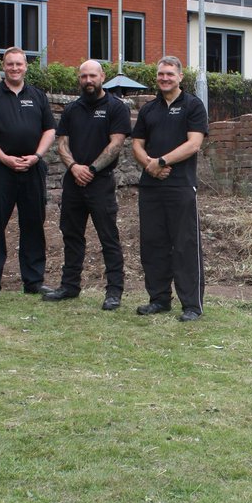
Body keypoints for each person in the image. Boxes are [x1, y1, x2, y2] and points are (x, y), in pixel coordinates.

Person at [43, 60, 132, 310]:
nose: (88, 80)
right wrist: (74, 167)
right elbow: (62, 143)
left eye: (93, 75)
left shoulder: (116, 108)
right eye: (84, 76)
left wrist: (92, 169)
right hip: (73, 182)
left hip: (100, 182)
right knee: (71, 236)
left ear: (102, 76)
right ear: (79, 78)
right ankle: (70, 286)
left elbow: (116, 144)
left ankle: (114, 291)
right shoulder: (72, 109)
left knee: (108, 237)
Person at [0, 47, 56, 298]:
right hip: (0, 169)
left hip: (32, 169)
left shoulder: (38, 96)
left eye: (19, 64)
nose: (15, 68)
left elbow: (49, 130)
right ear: (3, 66)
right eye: (10, 64)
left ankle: (33, 281)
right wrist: (4, 158)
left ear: (26, 67)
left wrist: (37, 156)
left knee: (33, 224)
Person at [131, 56, 209, 322]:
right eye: (161, 74)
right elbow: (136, 145)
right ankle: (159, 299)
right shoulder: (149, 110)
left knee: (185, 245)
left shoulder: (193, 106)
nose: (165, 78)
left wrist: (162, 161)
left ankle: (192, 305)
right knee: (153, 244)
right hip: (151, 187)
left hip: (181, 186)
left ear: (180, 77)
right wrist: (150, 166)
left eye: (170, 74)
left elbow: (194, 144)